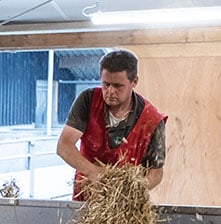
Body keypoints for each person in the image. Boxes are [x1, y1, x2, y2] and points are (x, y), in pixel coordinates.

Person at [56, 48, 167, 200]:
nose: (110, 91)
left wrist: (133, 189)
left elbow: (156, 172)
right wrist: (93, 171)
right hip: (87, 198)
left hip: (124, 205)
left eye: (117, 86)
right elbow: (64, 146)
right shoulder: (88, 101)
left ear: (134, 81)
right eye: (106, 84)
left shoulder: (152, 120)